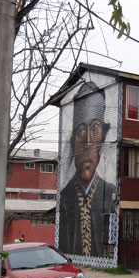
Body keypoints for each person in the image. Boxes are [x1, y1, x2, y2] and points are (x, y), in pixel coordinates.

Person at [58, 81, 117, 258]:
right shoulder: (64, 198)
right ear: (73, 140)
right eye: (81, 131)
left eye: (95, 128)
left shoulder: (112, 194)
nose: (88, 142)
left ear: (103, 138)